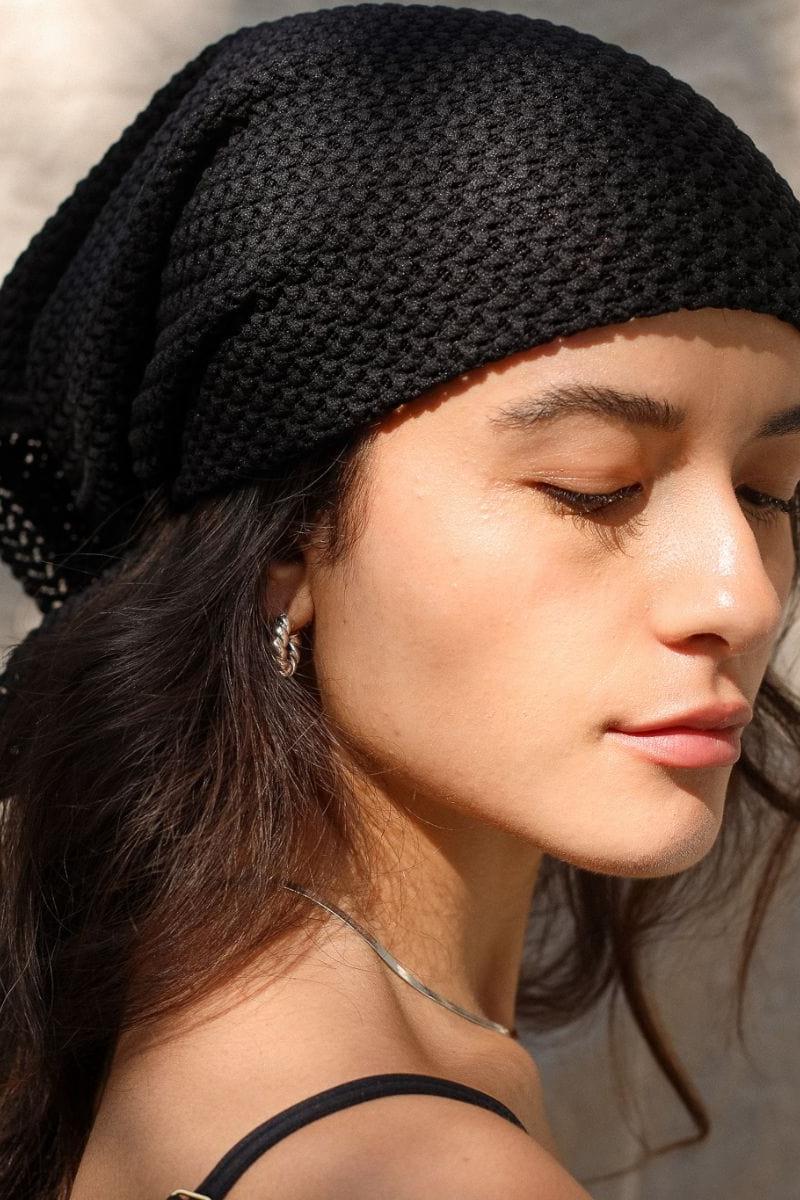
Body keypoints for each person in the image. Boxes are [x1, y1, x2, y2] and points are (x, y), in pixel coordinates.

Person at [1, 7, 799, 1200]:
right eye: (594, 488)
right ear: (285, 546)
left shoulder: (143, 1019)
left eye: (769, 491)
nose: (738, 594)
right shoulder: (416, 1171)